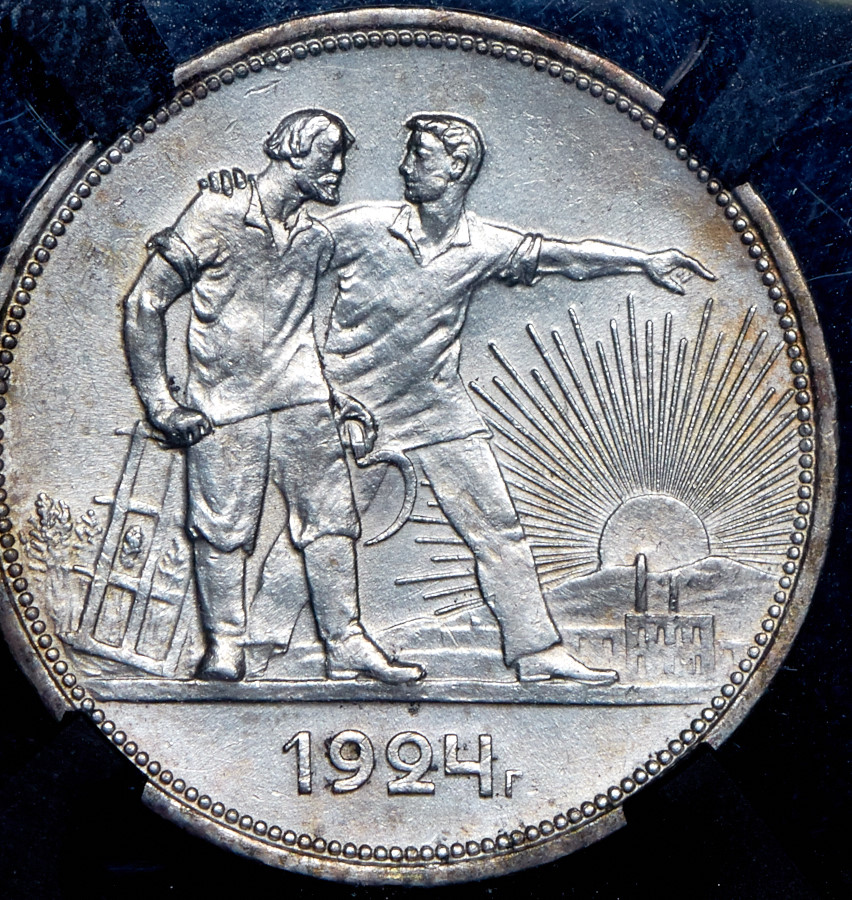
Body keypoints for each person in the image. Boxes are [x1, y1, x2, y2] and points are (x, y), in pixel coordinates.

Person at [314, 113, 715, 683]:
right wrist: (233, 200)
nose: (404, 166)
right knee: (324, 529)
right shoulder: (362, 226)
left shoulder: (482, 244)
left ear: (458, 167)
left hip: (436, 409)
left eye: (420, 155)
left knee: (498, 527)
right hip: (348, 410)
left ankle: (535, 651)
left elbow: (567, 257)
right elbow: (279, 253)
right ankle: (265, 643)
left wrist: (643, 261)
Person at [123, 109, 423, 684]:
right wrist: (160, 404)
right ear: (292, 151)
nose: (339, 169)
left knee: (332, 523)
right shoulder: (216, 210)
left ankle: (345, 643)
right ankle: (225, 647)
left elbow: (293, 330)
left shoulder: (314, 239)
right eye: (330, 155)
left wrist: (333, 395)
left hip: (304, 404)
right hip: (225, 408)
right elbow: (145, 302)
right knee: (222, 531)